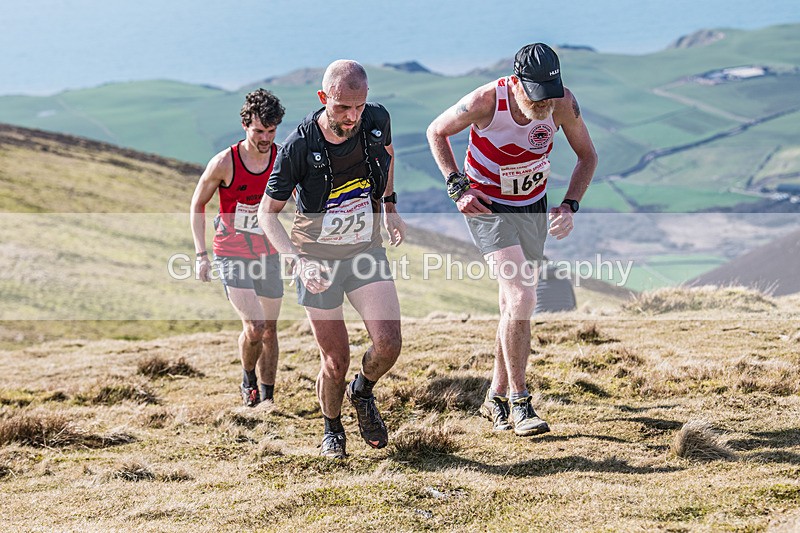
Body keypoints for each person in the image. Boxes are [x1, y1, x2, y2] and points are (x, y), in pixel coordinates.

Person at [427, 43, 598, 436]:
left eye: (550, 95)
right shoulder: (485, 101)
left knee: (512, 304)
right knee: (523, 295)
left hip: (532, 205)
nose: (544, 104)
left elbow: (587, 156)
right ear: (517, 83)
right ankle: (521, 403)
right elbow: (436, 131)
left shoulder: (561, 103)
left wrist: (570, 205)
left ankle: (495, 397)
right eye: (536, 96)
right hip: (489, 207)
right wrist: (458, 188)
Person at [259, 60, 406, 459]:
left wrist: (389, 205)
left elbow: (388, 155)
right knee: (335, 359)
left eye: (359, 106)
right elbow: (266, 213)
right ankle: (332, 428)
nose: (353, 116)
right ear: (324, 99)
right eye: (343, 107)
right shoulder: (299, 146)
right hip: (317, 260)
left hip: (364, 251)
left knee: (389, 344)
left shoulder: (376, 120)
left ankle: (363, 392)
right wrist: (296, 261)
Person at [190, 89, 286, 408]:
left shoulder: (281, 158)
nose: (265, 138)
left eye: (271, 131)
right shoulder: (224, 162)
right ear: (246, 125)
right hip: (232, 253)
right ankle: (248, 379)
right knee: (255, 326)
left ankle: (268, 398)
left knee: (270, 330)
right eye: (259, 131)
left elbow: (300, 200)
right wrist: (201, 255)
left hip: (268, 253)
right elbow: (198, 204)